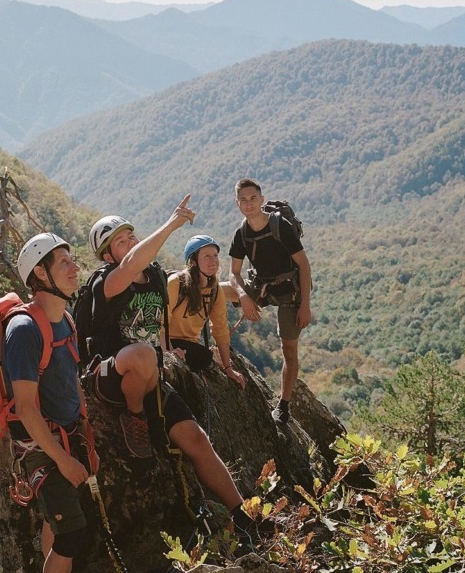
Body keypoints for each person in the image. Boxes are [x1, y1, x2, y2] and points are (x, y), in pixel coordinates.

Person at [84, 196, 254, 535]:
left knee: (195, 437)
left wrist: (167, 350)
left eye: (131, 235)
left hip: (147, 375)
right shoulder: (106, 281)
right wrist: (173, 224)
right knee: (143, 355)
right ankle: (134, 417)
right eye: (121, 240)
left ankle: (243, 515)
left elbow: (155, 324)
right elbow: (130, 265)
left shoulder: (156, 277)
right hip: (108, 375)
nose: (131, 242)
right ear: (107, 256)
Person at [4, 232, 101, 573]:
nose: (74, 266)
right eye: (62, 261)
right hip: (39, 444)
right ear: (40, 274)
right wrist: (61, 457)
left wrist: (82, 430)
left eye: (71, 258)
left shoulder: (67, 320)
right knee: (72, 530)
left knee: (58, 518)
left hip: (66, 432)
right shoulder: (24, 329)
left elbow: (67, 378)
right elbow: (25, 408)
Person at [229, 178, 312, 426]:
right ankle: (212, 344)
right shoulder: (241, 233)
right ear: (237, 203)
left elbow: (303, 265)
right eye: (243, 200)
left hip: (290, 291)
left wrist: (305, 305)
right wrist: (243, 297)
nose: (248, 204)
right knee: (217, 290)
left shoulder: (281, 226)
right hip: (262, 286)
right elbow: (233, 274)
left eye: (253, 198)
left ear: (262, 200)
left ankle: (283, 406)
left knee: (289, 348)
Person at [167, 234, 245, 387]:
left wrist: (228, 368)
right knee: (202, 357)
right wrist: (169, 351)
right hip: (166, 341)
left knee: (205, 357)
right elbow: (160, 322)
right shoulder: (176, 283)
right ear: (194, 261)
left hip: (189, 346)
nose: (213, 260)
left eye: (215, 255)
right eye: (207, 256)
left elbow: (220, 329)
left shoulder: (215, 291)